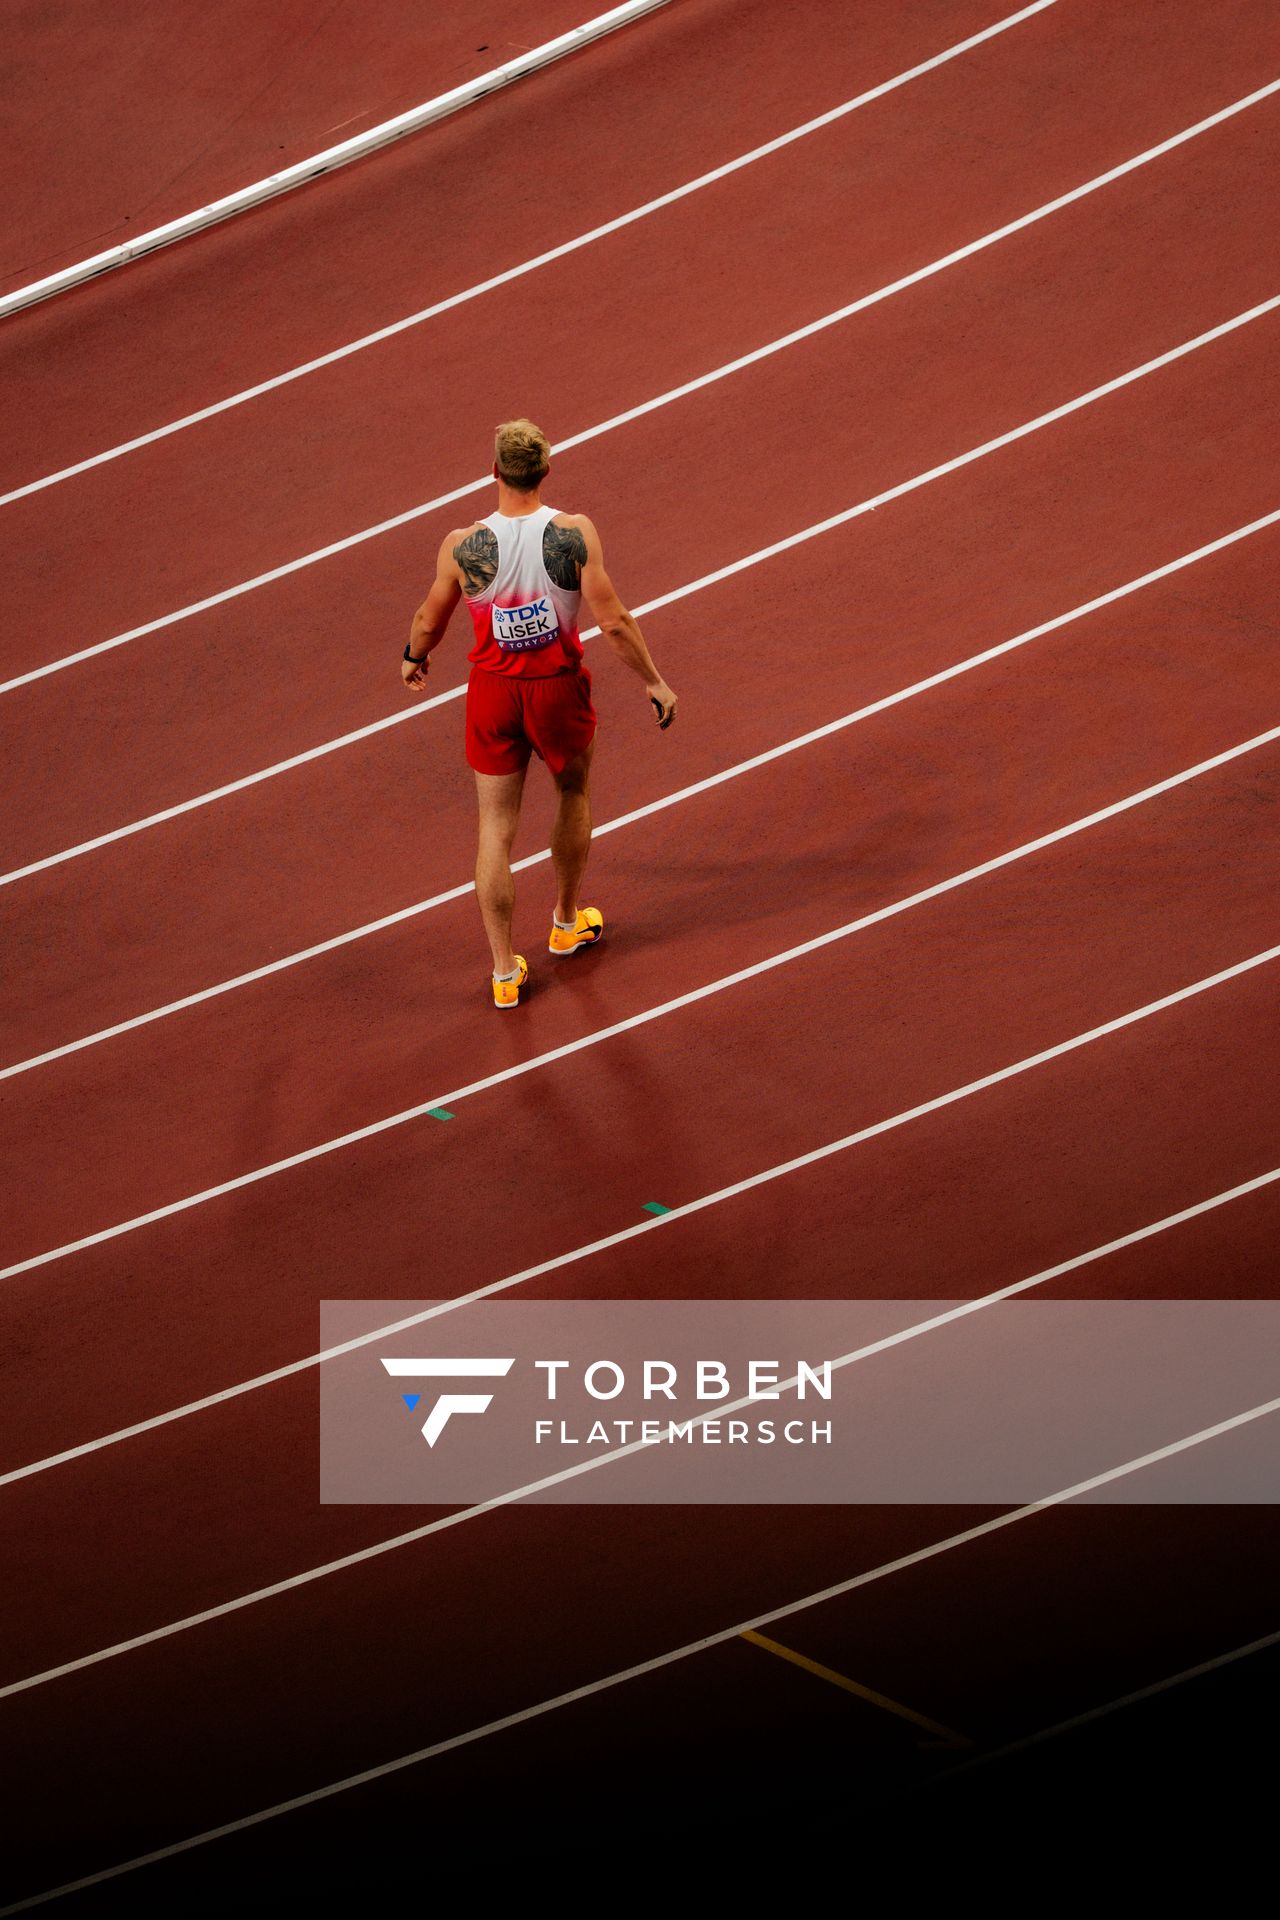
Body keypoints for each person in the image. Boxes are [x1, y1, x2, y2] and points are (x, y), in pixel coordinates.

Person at [401, 418, 678, 1009]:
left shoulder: (463, 545)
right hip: (557, 690)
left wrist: (412, 658)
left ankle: (505, 972)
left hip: (493, 694)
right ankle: (565, 920)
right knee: (573, 795)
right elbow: (615, 620)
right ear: (545, 470)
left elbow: (429, 619)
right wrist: (654, 681)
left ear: (495, 471)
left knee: (494, 831)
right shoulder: (573, 534)